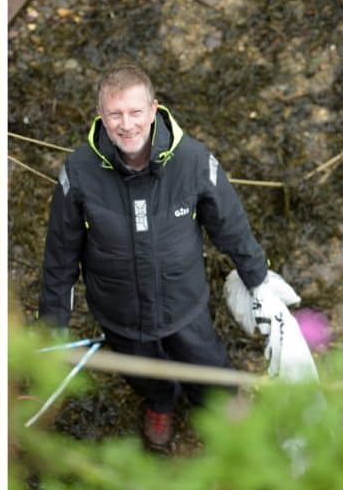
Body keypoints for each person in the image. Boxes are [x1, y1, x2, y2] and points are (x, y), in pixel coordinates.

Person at [37, 64, 296, 449]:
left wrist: (257, 278)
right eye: (115, 114)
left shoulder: (193, 160)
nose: (126, 125)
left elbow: (231, 226)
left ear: (154, 109)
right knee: (142, 371)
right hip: (119, 311)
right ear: (102, 117)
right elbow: (59, 256)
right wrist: (51, 331)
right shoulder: (78, 171)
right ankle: (160, 401)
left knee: (206, 361)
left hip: (183, 303)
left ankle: (220, 399)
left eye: (135, 112)